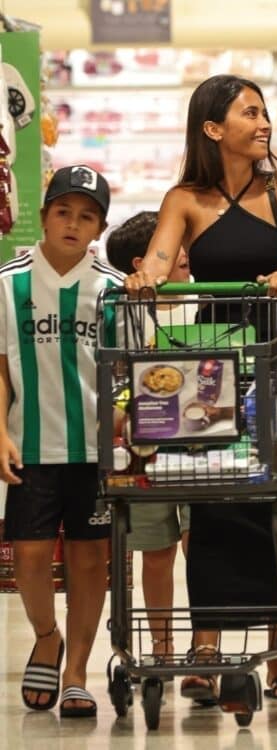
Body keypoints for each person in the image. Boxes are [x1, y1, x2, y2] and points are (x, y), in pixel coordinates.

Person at [124, 74, 277, 701]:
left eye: (265, 111)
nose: (264, 123)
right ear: (213, 128)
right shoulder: (185, 198)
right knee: (210, 495)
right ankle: (206, 644)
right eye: (249, 113)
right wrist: (144, 279)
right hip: (214, 366)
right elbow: (157, 259)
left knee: (274, 497)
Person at [0, 164, 123, 717]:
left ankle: (76, 672)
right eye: (64, 212)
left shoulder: (114, 290)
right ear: (45, 215)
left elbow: (128, 374)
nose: (73, 223)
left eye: (87, 216)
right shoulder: (8, 283)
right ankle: (46, 637)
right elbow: (1, 367)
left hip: (96, 452)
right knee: (27, 555)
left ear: (98, 228)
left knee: (90, 558)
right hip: (32, 445)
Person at [106, 210, 192, 666]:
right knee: (156, 552)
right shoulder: (126, 314)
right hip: (144, 449)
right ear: (143, 263)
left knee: (201, 545)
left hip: (204, 445)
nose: (184, 253)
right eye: (174, 243)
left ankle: (205, 642)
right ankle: (162, 646)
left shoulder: (202, 299)